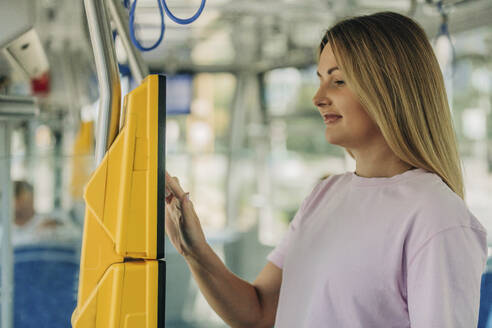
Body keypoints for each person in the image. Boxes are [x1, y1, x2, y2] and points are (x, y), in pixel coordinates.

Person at [164, 11, 487, 327]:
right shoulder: (326, 194)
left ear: (390, 88)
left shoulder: (436, 216)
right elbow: (258, 313)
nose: (318, 98)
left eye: (339, 81)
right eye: (319, 80)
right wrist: (194, 250)